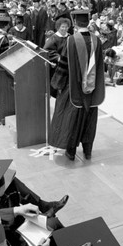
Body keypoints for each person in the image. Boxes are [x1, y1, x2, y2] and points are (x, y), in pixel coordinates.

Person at [49, 9, 105, 161]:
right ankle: (88, 151)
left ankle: (71, 152)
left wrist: (56, 84)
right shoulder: (97, 41)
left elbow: (63, 65)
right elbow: (100, 67)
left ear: (74, 22)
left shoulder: (71, 40)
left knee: (72, 120)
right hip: (92, 90)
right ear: (88, 22)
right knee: (89, 120)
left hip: (73, 89)